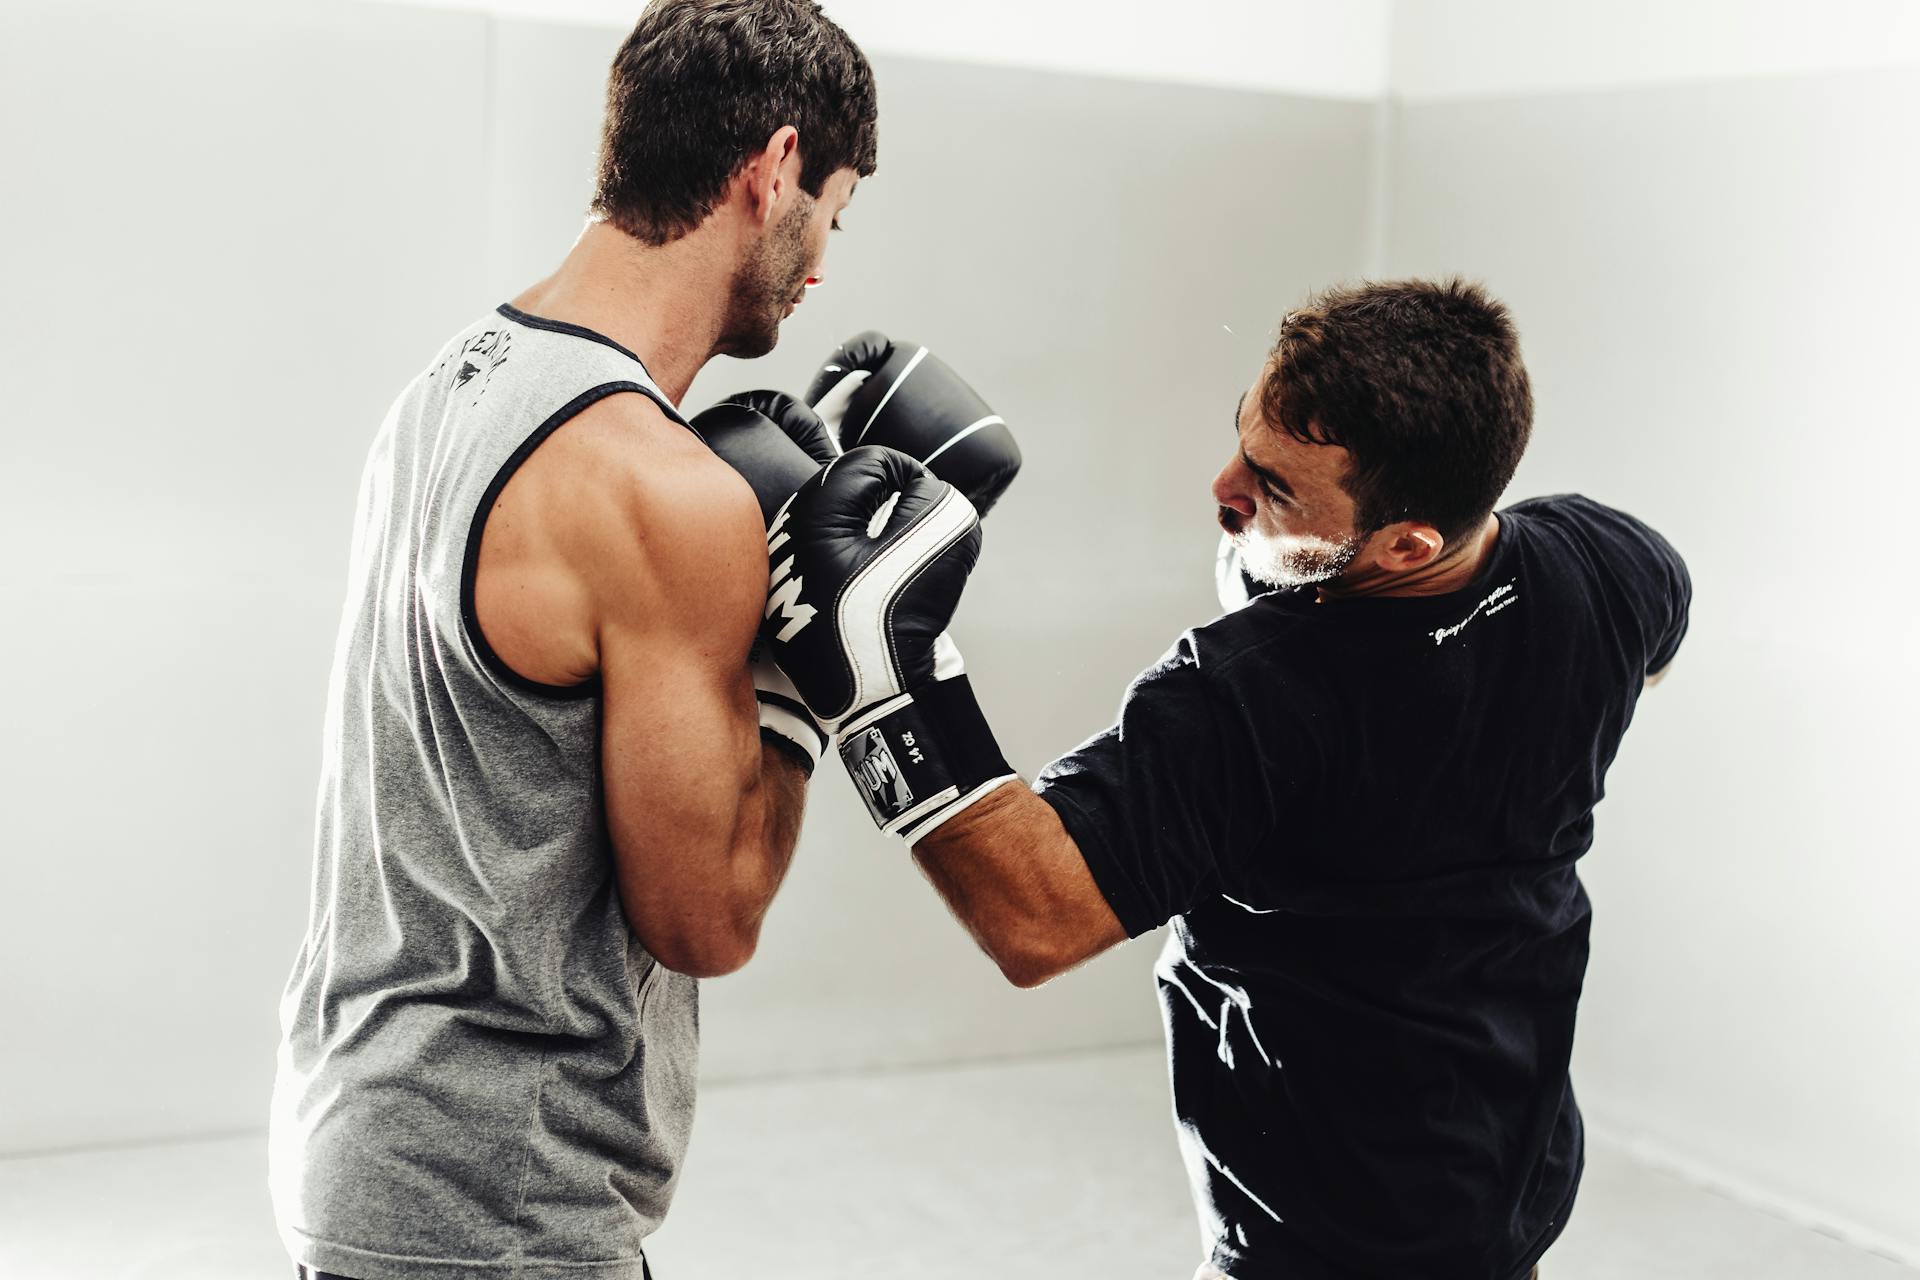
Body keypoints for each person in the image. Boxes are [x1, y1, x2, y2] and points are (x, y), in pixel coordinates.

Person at [763, 279, 1692, 1280]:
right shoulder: (1605, 562)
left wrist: (887, 673)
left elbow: (1035, 915)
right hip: (1507, 1206)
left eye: (1277, 488)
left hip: (1318, 1243)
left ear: (1407, 541)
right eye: (1242, 441)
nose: (1223, 488)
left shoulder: (1255, 696)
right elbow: (1650, 653)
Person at [267, 3, 879, 1277]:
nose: (821, 265)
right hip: (502, 1198)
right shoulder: (660, 490)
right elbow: (705, 920)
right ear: (770, 171)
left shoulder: (450, 381)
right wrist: (809, 671)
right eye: (831, 212)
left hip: (362, 1136)